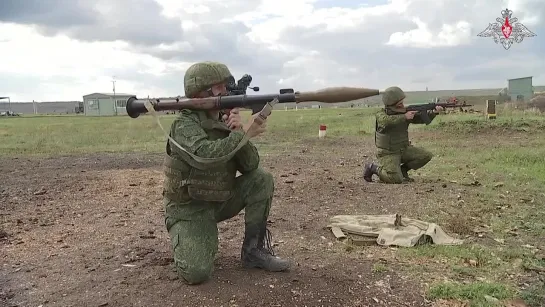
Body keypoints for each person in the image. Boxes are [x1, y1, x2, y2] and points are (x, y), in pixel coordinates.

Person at [162, 61, 290, 285]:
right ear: (201, 91)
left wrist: (239, 131)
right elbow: (206, 157)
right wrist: (242, 135)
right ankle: (188, 236)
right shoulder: (184, 124)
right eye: (220, 86)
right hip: (190, 209)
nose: (226, 91)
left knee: (261, 179)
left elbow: (251, 166)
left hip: (220, 199)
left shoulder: (223, 119)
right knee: (197, 274)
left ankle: (253, 252)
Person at [363, 86, 443, 183]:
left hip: (404, 149)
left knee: (425, 156)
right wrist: (404, 117)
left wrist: (434, 112)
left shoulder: (405, 112)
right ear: (392, 104)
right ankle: (372, 168)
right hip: (388, 153)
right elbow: (385, 121)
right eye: (400, 103)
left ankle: (402, 170)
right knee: (395, 179)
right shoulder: (381, 114)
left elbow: (420, 119)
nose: (402, 105)